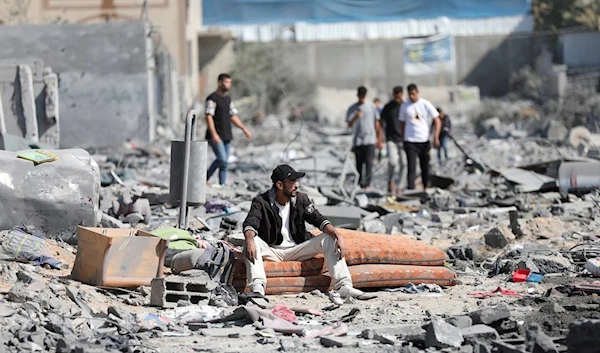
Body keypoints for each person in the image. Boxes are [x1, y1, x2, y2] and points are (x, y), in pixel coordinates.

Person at [242, 165, 367, 299]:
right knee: (251, 241)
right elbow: (250, 223)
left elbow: (318, 219)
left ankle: (343, 286)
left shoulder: (301, 200)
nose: (297, 185)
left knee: (329, 238)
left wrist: (338, 236)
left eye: (297, 181)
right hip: (273, 250)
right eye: (292, 182)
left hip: (297, 248)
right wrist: (249, 240)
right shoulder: (261, 202)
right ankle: (258, 289)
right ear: (279, 185)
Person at [205, 73, 252, 185]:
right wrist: (214, 134)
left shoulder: (227, 99)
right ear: (219, 82)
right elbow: (208, 116)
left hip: (226, 135)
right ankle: (204, 178)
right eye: (226, 82)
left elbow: (233, 116)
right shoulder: (212, 98)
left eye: (230, 82)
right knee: (223, 160)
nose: (228, 85)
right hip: (216, 135)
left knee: (224, 163)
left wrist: (244, 128)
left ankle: (222, 185)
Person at [399, 83, 441, 190]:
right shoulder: (404, 106)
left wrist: (435, 136)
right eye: (409, 94)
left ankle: (425, 186)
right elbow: (402, 124)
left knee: (425, 166)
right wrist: (402, 138)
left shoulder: (425, 104)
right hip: (410, 140)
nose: (411, 96)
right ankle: (411, 189)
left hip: (424, 140)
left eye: (413, 94)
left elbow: (437, 120)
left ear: (417, 92)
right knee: (411, 167)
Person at [346, 86, 383, 189]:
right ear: (357, 96)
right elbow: (349, 124)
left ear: (365, 96)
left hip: (370, 139)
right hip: (358, 140)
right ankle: (359, 184)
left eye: (363, 96)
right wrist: (355, 117)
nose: (361, 98)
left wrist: (379, 140)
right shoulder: (352, 108)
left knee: (369, 162)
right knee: (359, 163)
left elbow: (377, 124)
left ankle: (367, 184)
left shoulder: (371, 107)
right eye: (360, 96)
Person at [380, 86, 407, 194]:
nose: (397, 97)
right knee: (392, 162)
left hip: (403, 139)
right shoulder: (388, 107)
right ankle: (390, 180)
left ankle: (400, 186)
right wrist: (380, 138)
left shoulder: (405, 106)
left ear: (401, 94)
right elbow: (381, 122)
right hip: (391, 139)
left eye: (399, 95)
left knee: (404, 163)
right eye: (395, 95)